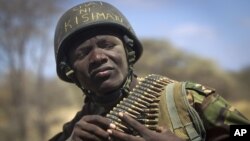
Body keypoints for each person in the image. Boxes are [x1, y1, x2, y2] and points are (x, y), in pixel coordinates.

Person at [50, 1, 250, 141]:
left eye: (107, 45)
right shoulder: (77, 127)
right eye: (82, 53)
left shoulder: (188, 99)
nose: (97, 57)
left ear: (128, 52)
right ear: (71, 72)